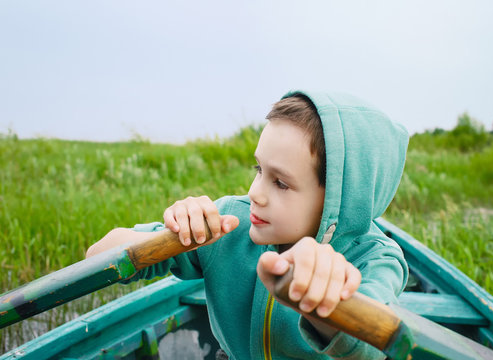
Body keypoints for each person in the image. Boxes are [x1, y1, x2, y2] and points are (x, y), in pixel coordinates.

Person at [86, 90, 409, 359]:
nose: (255, 193)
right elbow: (96, 258)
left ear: (340, 199)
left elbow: (368, 351)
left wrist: (317, 301)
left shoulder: (377, 258)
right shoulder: (230, 222)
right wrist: (177, 231)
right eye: (259, 169)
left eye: (280, 183)